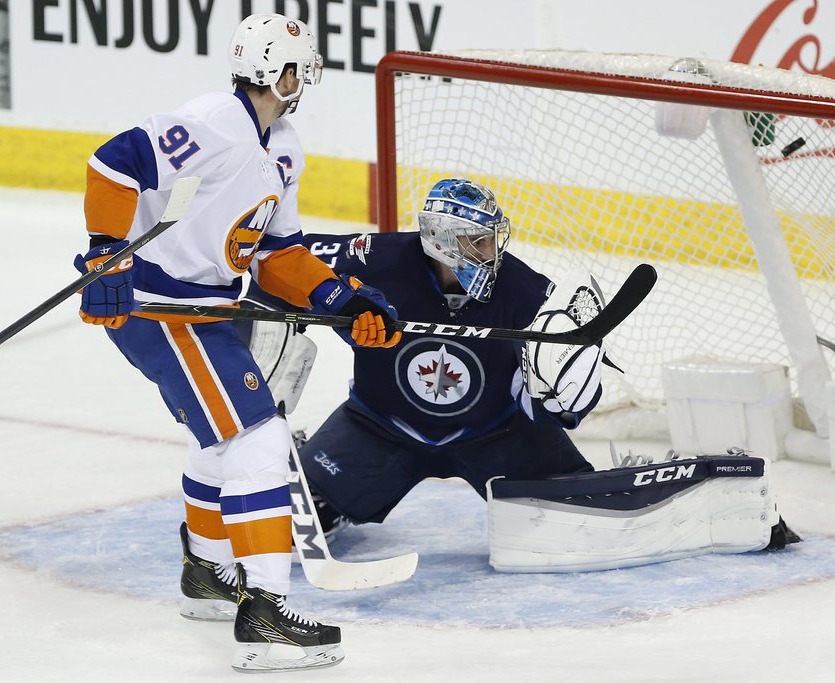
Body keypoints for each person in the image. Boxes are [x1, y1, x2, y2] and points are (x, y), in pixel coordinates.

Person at [74, 13, 401, 673]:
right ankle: (266, 615)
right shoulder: (213, 122)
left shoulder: (283, 146)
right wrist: (108, 257)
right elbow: (114, 162)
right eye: (300, 71)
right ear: (283, 73)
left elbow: (278, 253)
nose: (303, 82)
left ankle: (207, 571)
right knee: (258, 437)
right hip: (164, 308)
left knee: (217, 435)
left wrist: (340, 296)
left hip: (201, 312)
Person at [245, 178, 605, 537]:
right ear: (441, 238)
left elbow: (550, 395)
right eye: (478, 241)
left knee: (576, 518)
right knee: (287, 524)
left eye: (492, 238)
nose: (490, 250)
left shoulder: (525, 288)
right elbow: (280, 264)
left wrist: (561, 401)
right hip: (378, 427)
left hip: (498, 434)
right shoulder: (374, 257)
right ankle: (326, 489)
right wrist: (274, 334)